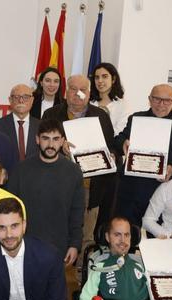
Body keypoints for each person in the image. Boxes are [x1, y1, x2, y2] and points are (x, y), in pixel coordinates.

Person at [42, 74, 117, 237]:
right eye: (73, 89)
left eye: (82, 90)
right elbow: (41, 147)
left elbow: (112, 147)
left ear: (89, 94)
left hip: (90, 189)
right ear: (66, 92)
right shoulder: (51, 115)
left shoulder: (101, 116)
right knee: (55, 232)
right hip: (57, 186)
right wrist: (58, 147)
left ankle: (81, 263)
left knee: (85, 236)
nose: (77, 94)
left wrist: (111, 155)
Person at [114, 84, 172, 227]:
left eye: (167, 100)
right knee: (125, 233)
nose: (161, 104)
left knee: (155, 235)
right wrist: (123, 143)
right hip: (131, 188)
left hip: (160, 190)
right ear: (149, 99)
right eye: (156, 99)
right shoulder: (136, 118)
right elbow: (118, 140)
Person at [7, 118, 83, 263]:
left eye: (55, 139)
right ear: (37, 139)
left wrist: (74, 244)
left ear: (62, 141)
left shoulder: (74, 171)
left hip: (60, 247)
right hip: (25, 246)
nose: (50, 144)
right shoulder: (21, 170)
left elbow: (77, 213)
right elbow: (11, 210)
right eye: (45, 138)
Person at [0, 84, 39, 161]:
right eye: (16, 97)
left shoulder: (40, 127)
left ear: (32, 100)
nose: (21, 100)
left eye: (25, 97)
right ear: (10, 100)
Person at [90, 62, 129, 134]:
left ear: (113, 79)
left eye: (104, 76)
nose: (100, 81)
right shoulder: (88, 103)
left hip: (112, 144)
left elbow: (120, 131)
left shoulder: (122, 105)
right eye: (97, 77)